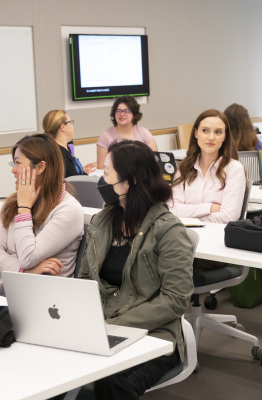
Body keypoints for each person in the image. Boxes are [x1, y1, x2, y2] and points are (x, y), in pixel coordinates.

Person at [79, 140, 194, 400]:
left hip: (155, 335)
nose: (101, 179)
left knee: (110, 381)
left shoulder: (168, 230)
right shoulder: (102, 221)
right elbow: (87, 279)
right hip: (104, 326)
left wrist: (114, 324)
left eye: (106, 172)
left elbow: (175, 300)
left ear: (128, 182)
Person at [0, 134, 84, 295]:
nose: (13, 170)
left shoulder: (69, 210)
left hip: (48, 303)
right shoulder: (13, 202)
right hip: (10, 295)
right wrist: (26, 272)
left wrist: (24, 208)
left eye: (17, 163)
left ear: (40, 167)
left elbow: (27, 257)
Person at [168, 109, 246, 224]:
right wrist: (210, 208)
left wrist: (189, 217)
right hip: (185, 235)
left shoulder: (234, 169)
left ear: (225, 136)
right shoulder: (184, 167)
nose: (211, 137)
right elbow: (172, 209)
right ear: (196, 133)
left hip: (218, 237)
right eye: (205, 130)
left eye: (218, 132)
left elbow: (228, 217)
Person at [96, 96, 157, 168]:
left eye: (126, 111)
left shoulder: (144, 133)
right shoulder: (105, 135)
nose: (122, 114)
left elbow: (155, 160)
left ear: (134, 114)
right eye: (118, 111)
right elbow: (101, 166)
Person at [42, 109, 96, 178]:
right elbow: (72, 183)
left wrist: (80, 170)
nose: (72, 125)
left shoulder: (62, 148)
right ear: (63, 127)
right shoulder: (58, 154)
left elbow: (70, 175)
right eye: (70, 122)